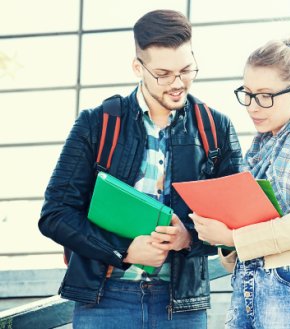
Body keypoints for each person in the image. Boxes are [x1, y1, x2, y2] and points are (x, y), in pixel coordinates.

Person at [38, 9, 242, 329]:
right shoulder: (97, 123)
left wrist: (188, 238)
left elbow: (237, 221)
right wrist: (124, 250)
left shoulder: (214, 128)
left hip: (182, 308)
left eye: (187, 70)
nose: (178, 83)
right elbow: (55, 214)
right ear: (138, 67)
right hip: (104, 302)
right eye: (163, 73)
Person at [190, 35, 290, 328]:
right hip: (247, 282)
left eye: (265, 95)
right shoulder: (258, 148)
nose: (252, 106)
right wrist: (222, 236)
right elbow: (245, 234)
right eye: (247, 94)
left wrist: (232, 237)